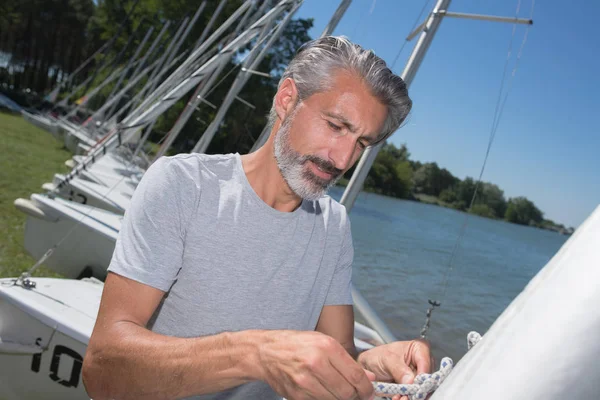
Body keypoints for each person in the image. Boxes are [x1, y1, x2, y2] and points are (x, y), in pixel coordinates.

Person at [82, 36, 432, 400]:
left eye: (361, 143)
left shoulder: (334, 226)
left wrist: (376, 364)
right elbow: (102, 371)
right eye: (335, 126)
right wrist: (255, 355)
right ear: (287, 99)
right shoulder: (183, 185)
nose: (343, 160)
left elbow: (341, 356)